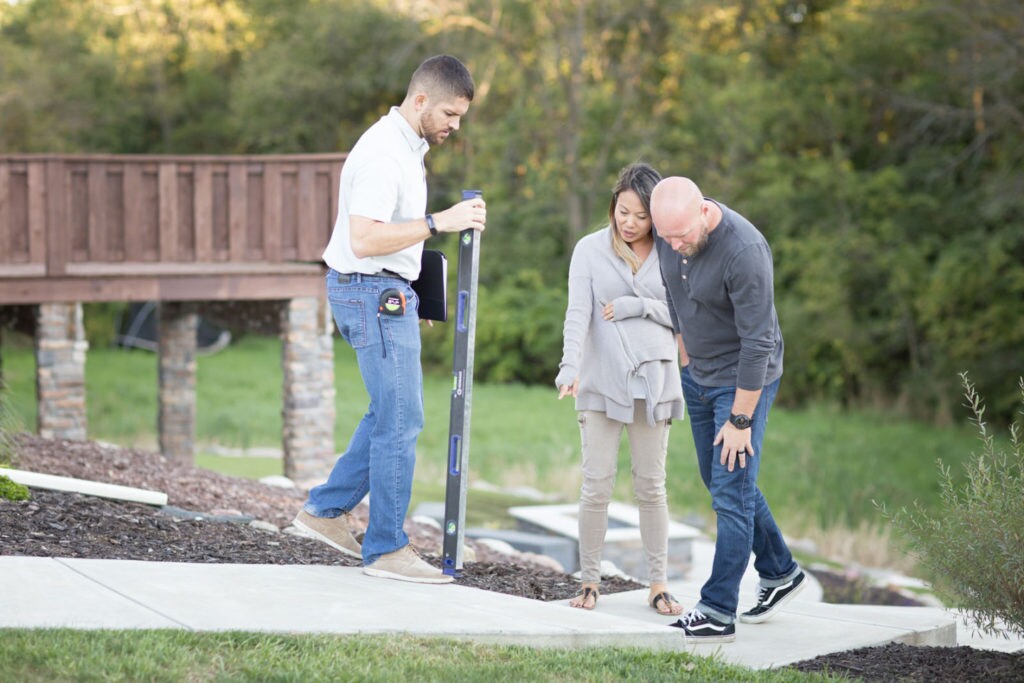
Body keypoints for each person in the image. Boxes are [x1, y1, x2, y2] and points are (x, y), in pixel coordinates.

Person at [292, 55, 486, 584]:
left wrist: (413, 288)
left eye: (461, 116)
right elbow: (366, 239)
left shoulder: (406, 149)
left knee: (387, 414)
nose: (455, 124)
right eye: (449, 112)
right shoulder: (383, 153)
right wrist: (439, 222)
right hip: (369, 291)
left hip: (385, 291)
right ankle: (385, 549)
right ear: (420, 99)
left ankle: (324, 512)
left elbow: (390, 238)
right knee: (403, 419)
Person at [650, 176, 805, 642]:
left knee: (730, 492)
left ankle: (718, 609)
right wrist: (684, 352)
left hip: (742, 381)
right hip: (698, 373)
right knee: (720, 479)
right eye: (666, 237)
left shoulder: (744, 251)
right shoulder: (668, 234)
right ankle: (780, 571)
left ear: (703, 212)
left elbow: (759, 344)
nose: (675, 245)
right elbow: (673, 294)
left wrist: (740, 420)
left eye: (682, 235)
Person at [555, 163, 686, 615]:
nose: (628, 223)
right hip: (602, 380)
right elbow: (577, 314)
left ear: (656, 218)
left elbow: (685, 314)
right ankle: (589, 581)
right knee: (596, 487)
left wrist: (638, 306)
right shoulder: (590, 250)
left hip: (656, 384)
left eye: (640, 216)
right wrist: (569, 366)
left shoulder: (672, 252)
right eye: (621, 212)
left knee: (652, 488)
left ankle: (658, 584)